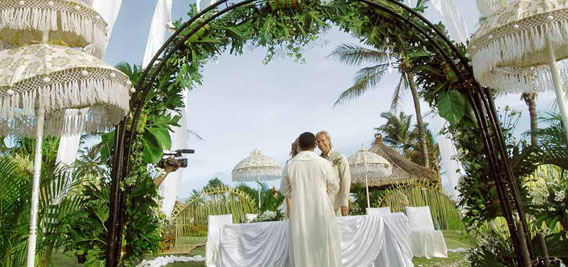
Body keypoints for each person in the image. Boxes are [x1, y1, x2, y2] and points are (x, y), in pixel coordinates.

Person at [280, 132, 342, 267]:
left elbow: (284, 190)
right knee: (323, 243)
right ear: (315, 145)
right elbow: (334, 187)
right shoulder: (323, 163)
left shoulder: (291, 165)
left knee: (302, 244)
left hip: (300, 210)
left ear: (299, 145)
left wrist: (298, 193)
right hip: (321, 208)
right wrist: (322, 193)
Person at [316, 131, 351, 217]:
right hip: (322, 206)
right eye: (318, 142)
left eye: (323, 140)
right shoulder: (317, 160)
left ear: (328, 140)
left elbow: (346, 181)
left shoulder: (340, 157)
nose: (320, 144)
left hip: (337, 205)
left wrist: (344, 203)